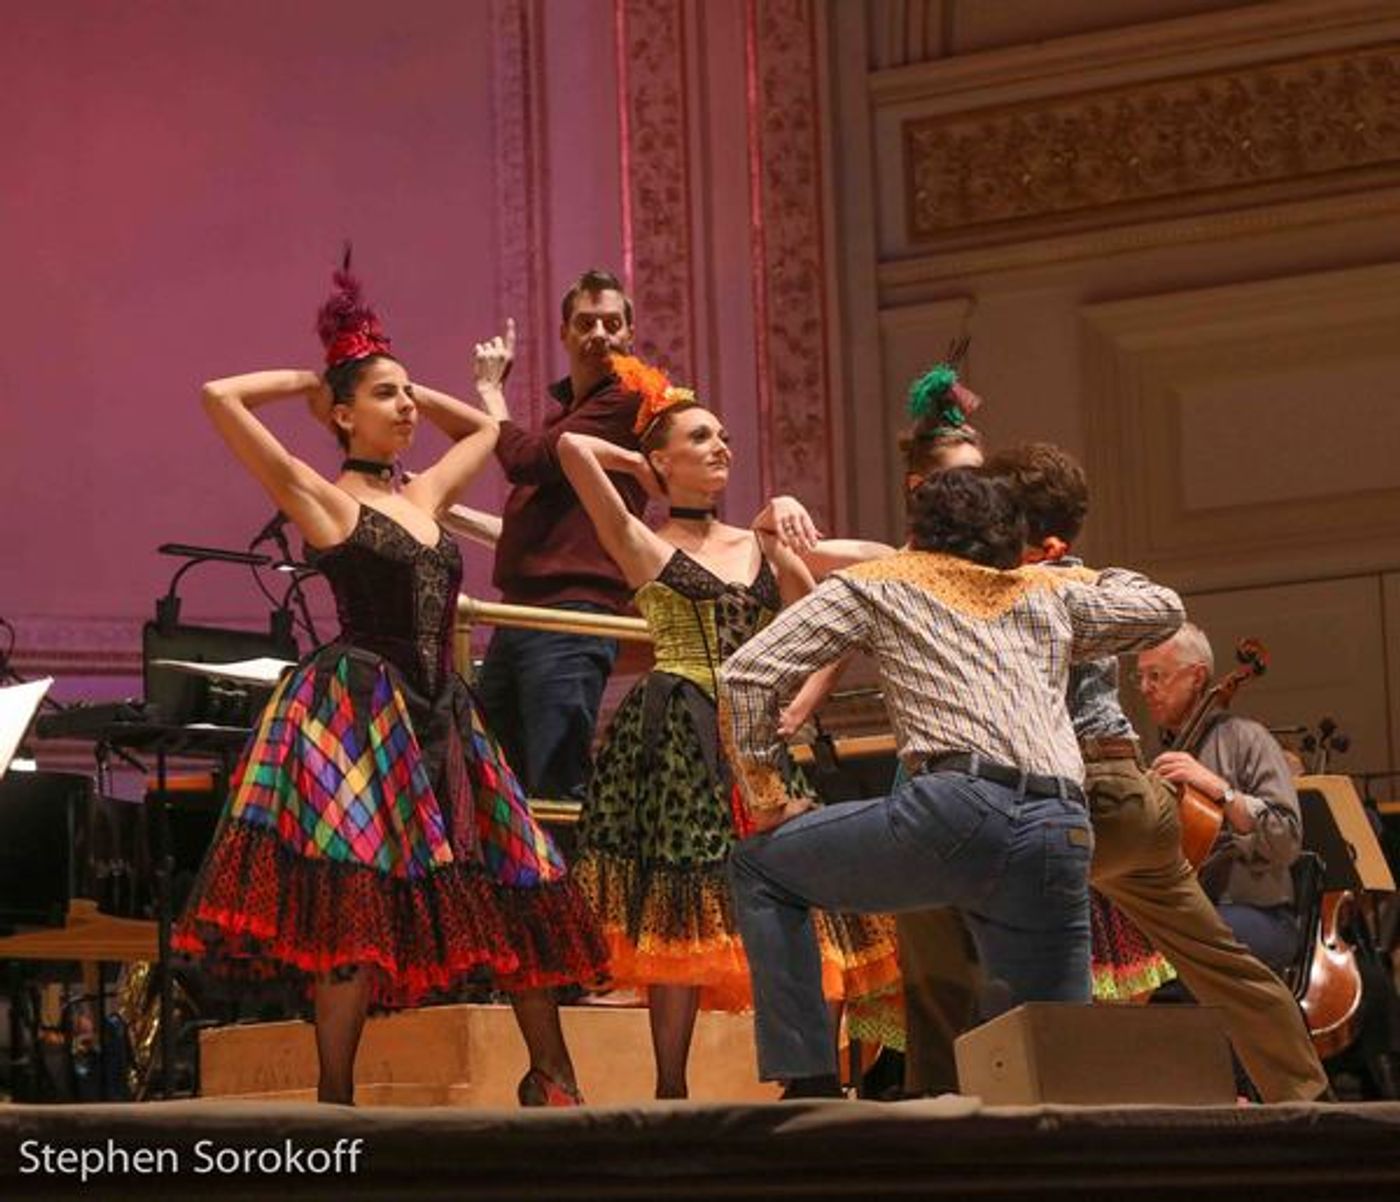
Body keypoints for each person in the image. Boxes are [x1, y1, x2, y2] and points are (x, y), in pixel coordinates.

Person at [174, 253, 607, 1106]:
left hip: (443, 708)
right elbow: (220, 396)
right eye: (387, 395)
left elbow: (484, 437)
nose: (408, 405)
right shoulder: (324, 500)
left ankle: (552, 1074)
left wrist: (445, 388)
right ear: (341, 416)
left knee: (516, 869)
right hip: (356, 714)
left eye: (409, 392)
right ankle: (335, 1090)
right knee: (353, 892)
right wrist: (317, 375)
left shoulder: (424, 496)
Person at [720, 467, 1185, 1096]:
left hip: (955, 811)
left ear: (915, 534)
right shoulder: (1046, 591)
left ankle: (810, 1087)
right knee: (1057, 1056)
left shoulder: (881, 583)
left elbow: (746, 676)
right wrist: (1079, 573)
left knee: (761, 869)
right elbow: (1164, 609)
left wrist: (768, 794)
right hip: (1060, 827)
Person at [556, 355, 898, 1099]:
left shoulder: (763, 544)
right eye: (702, 437)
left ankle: (814, 1078)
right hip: (675, 732)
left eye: (725, 437)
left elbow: (838, 618)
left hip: (755, 741)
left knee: (806, 889)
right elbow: (570, 451)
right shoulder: (644, 543)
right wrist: (642, 467)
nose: (722, 448)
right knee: (680, 905)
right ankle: (671, 1087)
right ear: (662, 458)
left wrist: (804, 701)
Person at [987, 443, 1327, 1101]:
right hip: (1131, 797)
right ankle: (1308, 1101)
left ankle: (1026, 1113)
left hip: (1072, 797)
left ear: (1035, 538)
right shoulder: (1094, 581)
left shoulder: (1018, 589)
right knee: (1223, 970)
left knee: (977, 941)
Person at [472, 269, 647, 803]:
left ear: (630, 336)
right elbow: (535, 526)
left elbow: (523, 460)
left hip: (571, 617)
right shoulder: (564, 413)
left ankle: (576, 888)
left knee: (555, 785)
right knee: (495, 779)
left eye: (611, 323)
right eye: (585, 322)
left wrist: (488, 392)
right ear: (565, 333)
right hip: (522, 614)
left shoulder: (627, 401)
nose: (599, 333)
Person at [1136, 623, 1305, 976]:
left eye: (1156, 676)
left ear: (1197, 678)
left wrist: (1221, 792)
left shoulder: (1249, 739)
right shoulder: (1160, 756)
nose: (1144, 689)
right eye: (1140, 677)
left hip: (1258, 913)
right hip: (1189, 917)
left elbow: (1286, 838)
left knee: (1165, 962)